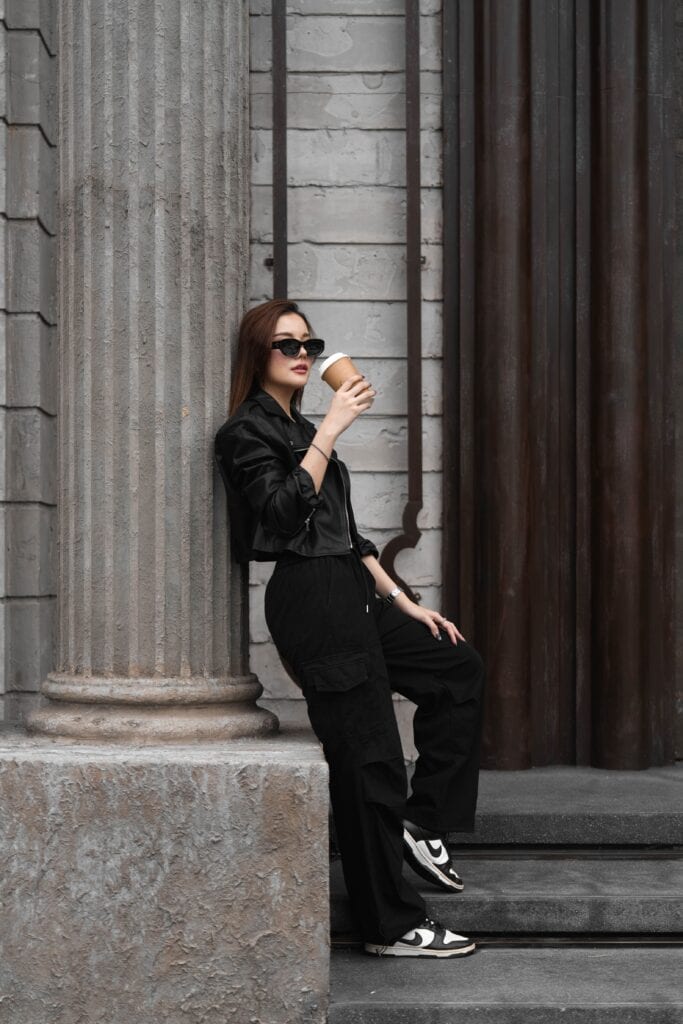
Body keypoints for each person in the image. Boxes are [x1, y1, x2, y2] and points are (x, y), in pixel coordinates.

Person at [214, 298, 486, 958]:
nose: (303, 355)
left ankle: (423, 824)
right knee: (369, 758)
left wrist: (403, 601)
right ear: (257, 354)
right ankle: (389, 926)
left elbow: (348, 533)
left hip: (353, 588)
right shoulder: (245, 432)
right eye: (287, 345)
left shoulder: (303, 425)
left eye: (309, 344)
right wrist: (330, 431)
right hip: (310, 596)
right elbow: (280, 516)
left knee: (457, 670)